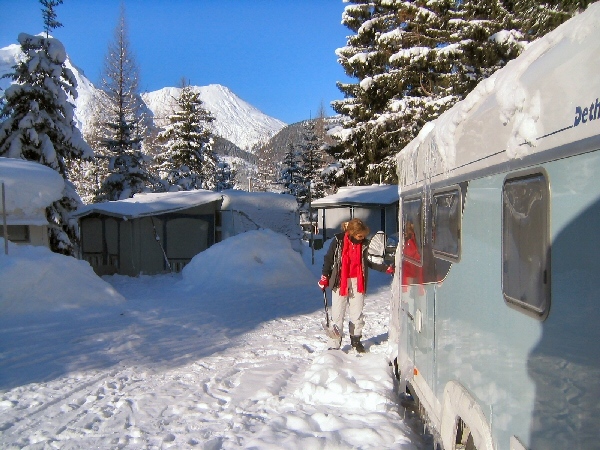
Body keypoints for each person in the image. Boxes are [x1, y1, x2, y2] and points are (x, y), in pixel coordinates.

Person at [318, 218, 394, 352]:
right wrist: (325, 276)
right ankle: (335, 342)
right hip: (340, 280)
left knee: (357, 312)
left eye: (364, 236)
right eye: (360, 235)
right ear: (352, 233)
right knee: (337, 313)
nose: (362, 238)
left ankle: (356, 339)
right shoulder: (338, 241)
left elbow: (370, 261)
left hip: (357, 281)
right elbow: (329, 259)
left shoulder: (364, 244)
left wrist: (384, 268)